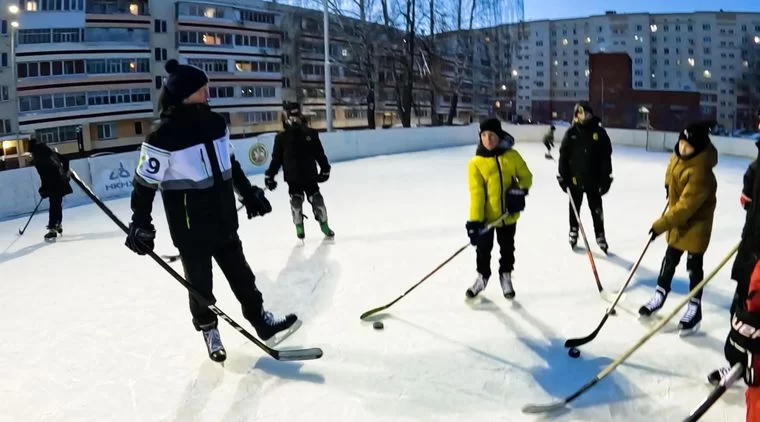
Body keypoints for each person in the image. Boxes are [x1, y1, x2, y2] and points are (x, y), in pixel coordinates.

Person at [124, 59, 298, 364]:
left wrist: (248, 193)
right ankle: (209, 330)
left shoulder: (217, 123)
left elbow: (231, 165)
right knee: (200, 286)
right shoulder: (161, 136)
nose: (208, 91)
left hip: (223, 220)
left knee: (243, 277)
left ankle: (261, 321)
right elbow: (144, 184)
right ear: (185, 93)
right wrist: (140, 221)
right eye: (202, 88)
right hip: (190, 229)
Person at [638, 121, 718, 334]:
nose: (682, 148)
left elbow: (686, 207)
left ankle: (694, 307)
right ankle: (660, 292)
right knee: (670, 258)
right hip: (679, 219)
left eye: (688, 146)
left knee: (694, 266)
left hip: (696, 224)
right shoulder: (678, 156)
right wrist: (668, 185)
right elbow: (671, 168)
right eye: (681, 143)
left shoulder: (701, 171)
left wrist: (660, 225)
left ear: (698, 148)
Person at [465, 118, 533, 299]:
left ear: (499, 136)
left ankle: (506, 276)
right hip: (487, 218)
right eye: (484, 135)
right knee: (483, 250)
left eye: (492, 135)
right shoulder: (476, 164)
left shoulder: (512, 156)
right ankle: (482, 277)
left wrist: (519, 192)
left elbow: (526, 176)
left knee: (507, 248)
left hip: (507, 216)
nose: (488, 139)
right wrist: (474, 222)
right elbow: (477, 195)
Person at [264, 102, 334, 241]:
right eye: (291, 116)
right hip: (293, 177)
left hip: (310, 175)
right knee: (296, 202)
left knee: (318, 201)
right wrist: (270, 175)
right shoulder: (281, 138)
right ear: (287, 116)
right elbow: (276, 159)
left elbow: (319, 153)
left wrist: (325, 168)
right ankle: (299, 226)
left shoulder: (311, 133)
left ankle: (324, 224)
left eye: (297, 115)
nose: (294, 119)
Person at [556, 102, 613, 253]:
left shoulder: (599, 133)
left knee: (596, 210)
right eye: (580, 113)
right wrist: (563, 176)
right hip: (574, 180)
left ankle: (600, 235)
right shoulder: (571, 133)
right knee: (574, 208)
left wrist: (606, 177)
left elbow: (606, 157)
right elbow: (563, 156)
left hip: (594, 181)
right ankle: (573, 230)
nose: (584, 116)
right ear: (576, 115)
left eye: (587, 113)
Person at [29, 138, 73, 241]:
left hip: (54, 185)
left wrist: (43, 189)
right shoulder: (50, 153)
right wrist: (65, 174)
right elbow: (66, 159)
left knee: (54, 205)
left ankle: (53, 229)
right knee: (57, 204)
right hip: (61, 182)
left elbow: (44, 177)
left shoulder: (38, 160)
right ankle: (58, 224)